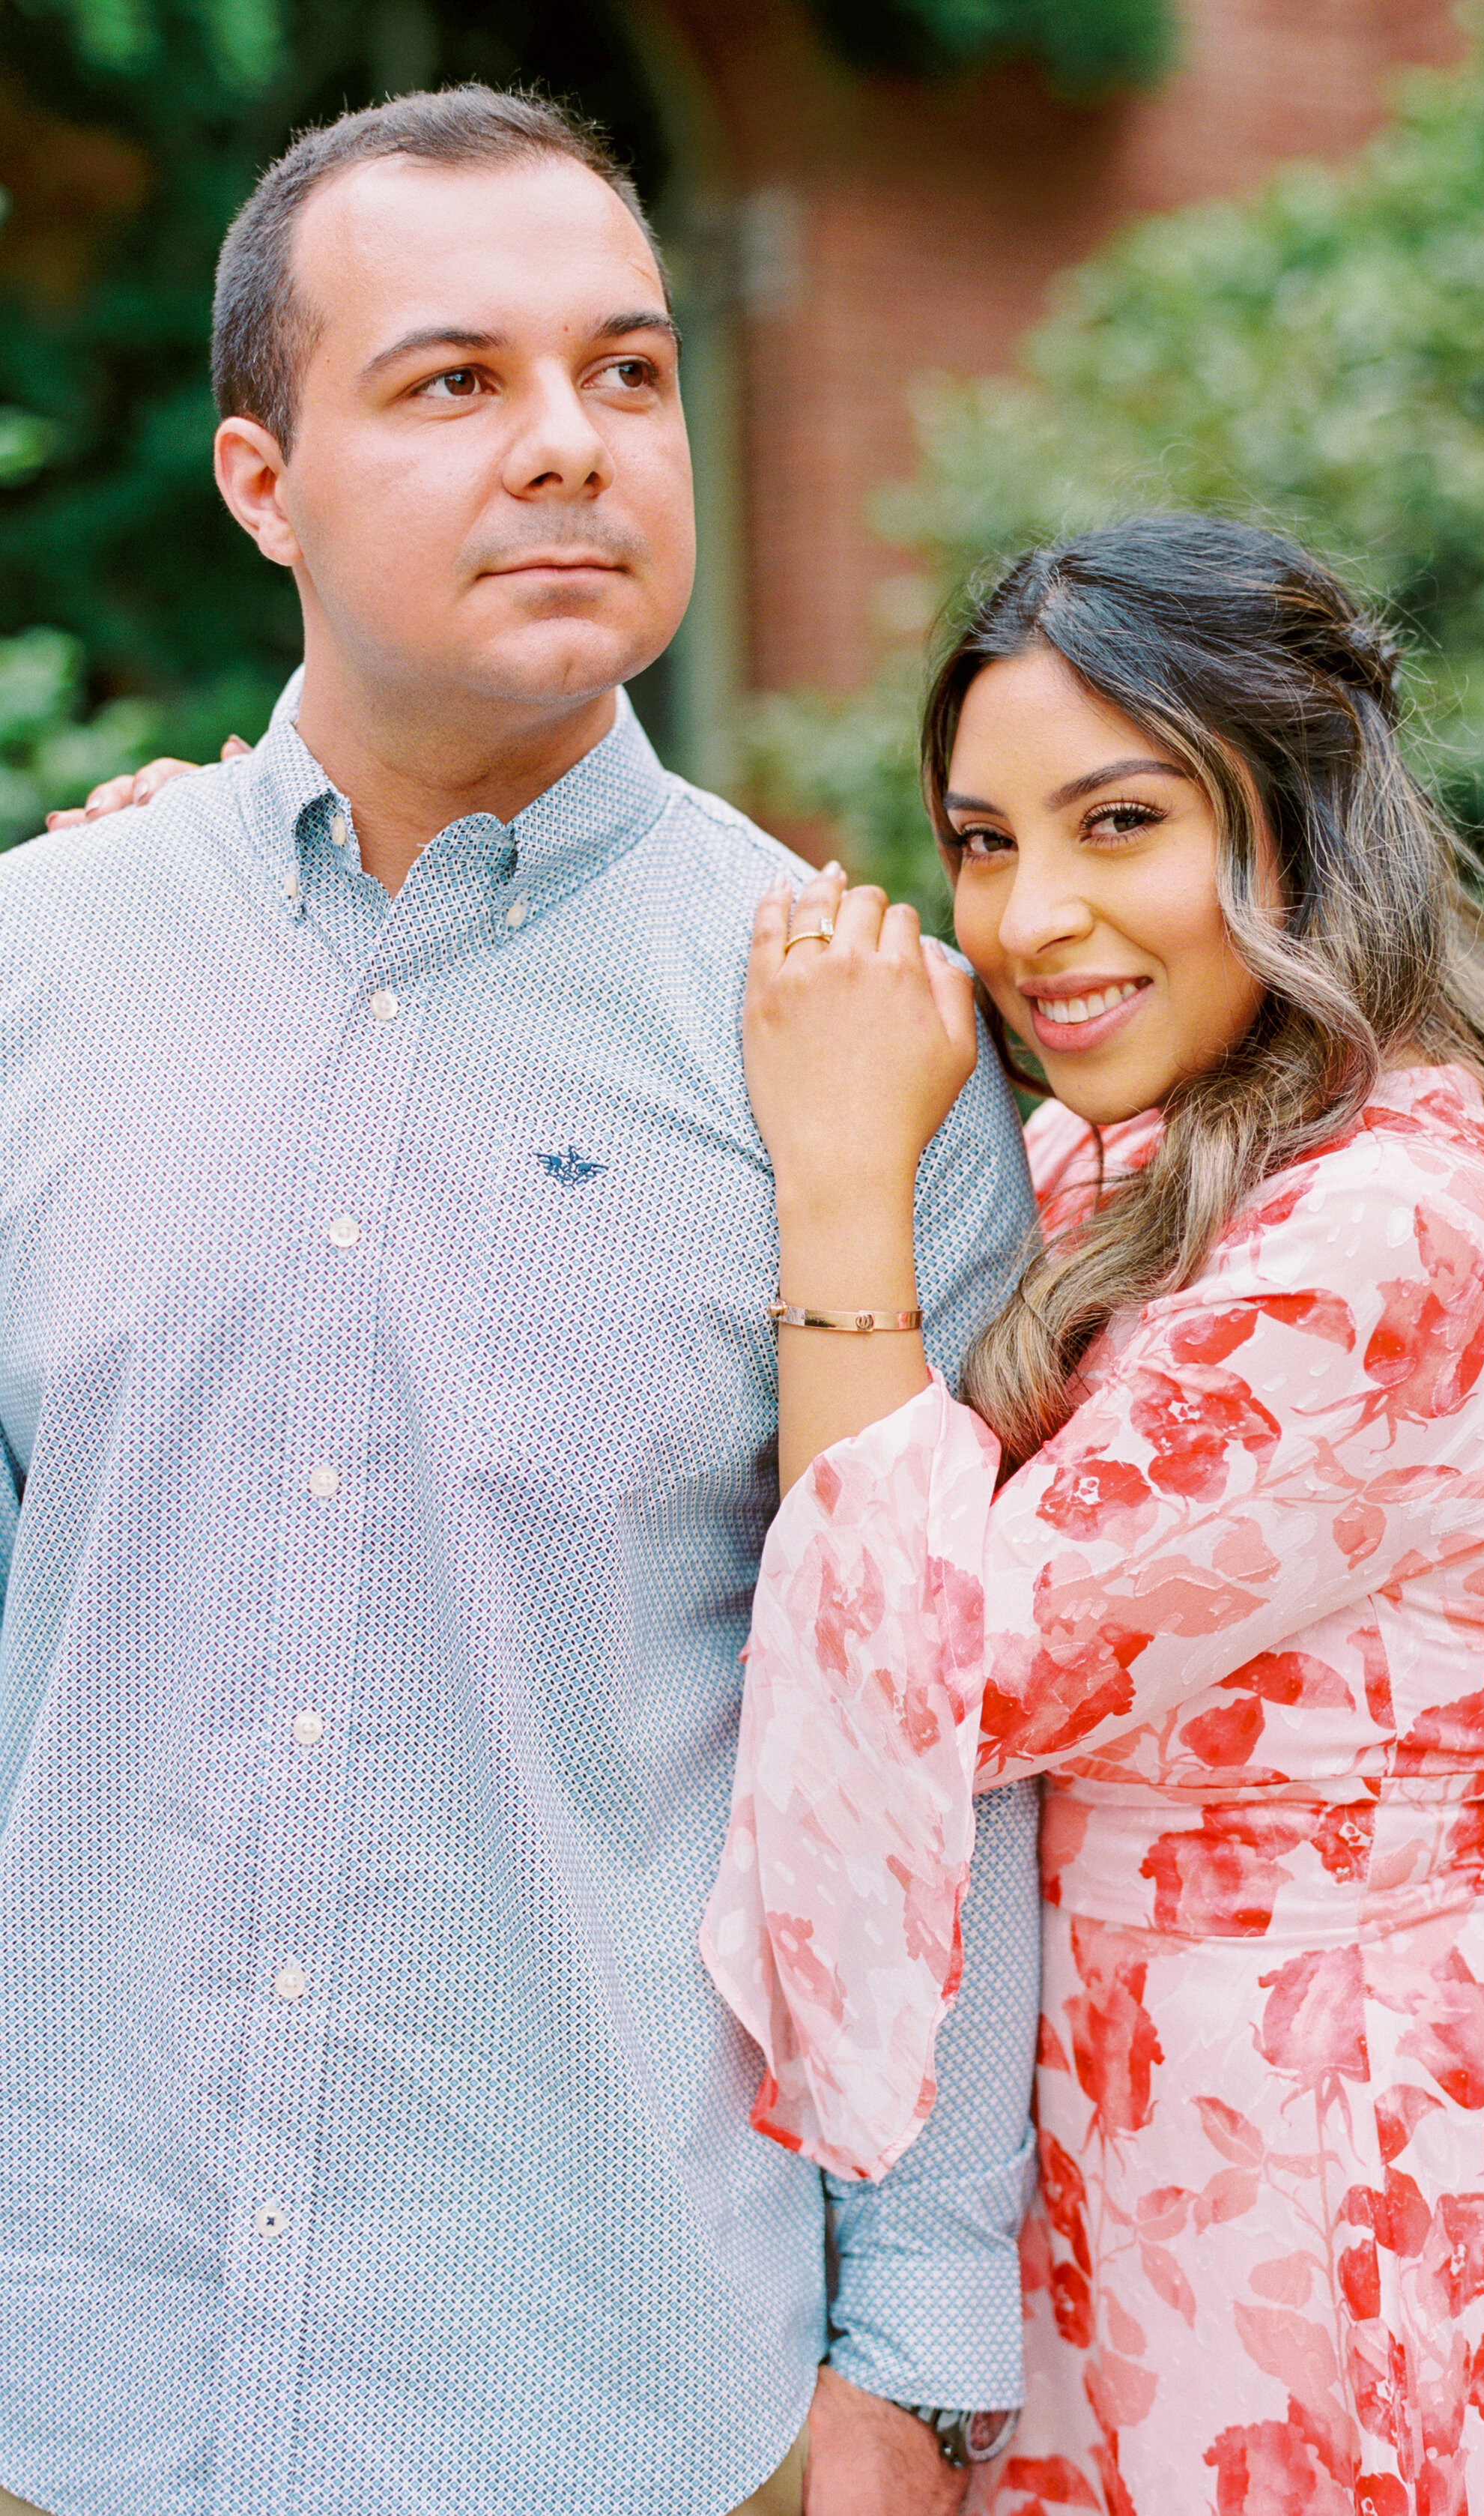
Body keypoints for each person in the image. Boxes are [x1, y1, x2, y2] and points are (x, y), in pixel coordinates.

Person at [0, 86, 1041, 2516]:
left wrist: (915, 2353)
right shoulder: (39, 981)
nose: (570, 447)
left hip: (610, 2405)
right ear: (261, 480)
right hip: (69, 2383)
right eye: (456, 382)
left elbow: (938, 1766)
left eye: (630, 373)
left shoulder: (854, 1052)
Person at [700, 515, 1484, 2516]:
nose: (1029, 915)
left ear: (1301, 825)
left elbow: (926, 1679)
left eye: (1116, 821)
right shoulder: (1112, 1162)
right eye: (979, 842)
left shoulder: (1382, 1233)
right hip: (1111, 2174)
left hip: (1310, 2206)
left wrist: (838, 1189)